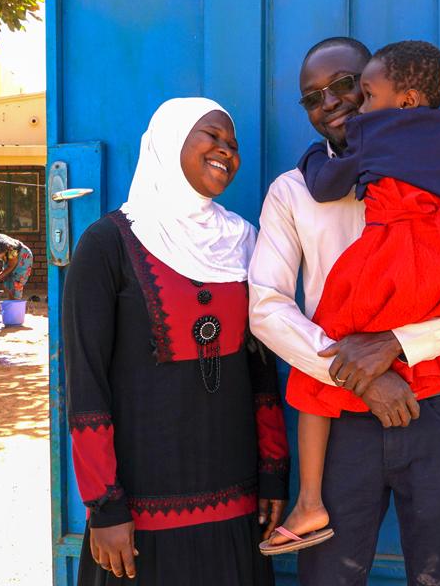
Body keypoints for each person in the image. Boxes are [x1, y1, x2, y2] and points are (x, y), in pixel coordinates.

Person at [248, 37, 440, 585]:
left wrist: (394, 346)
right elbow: (267, 307)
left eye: (345, 85)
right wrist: (359, 377)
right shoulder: (293, 192)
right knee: (328, 577)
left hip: (438, 412)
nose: (331, 102)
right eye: (312, 97)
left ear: (378, 86)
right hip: (341, 421)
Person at [63, 98, 290, 586]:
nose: (226, 152)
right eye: (212, 136)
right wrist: (104, 507)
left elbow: (261, 371)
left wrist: (274, 471)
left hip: (235, 501)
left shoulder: (243, 243)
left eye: (233, 145)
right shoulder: (107, 245)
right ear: (168, 143)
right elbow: (86, 385)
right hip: (141, 514)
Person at [0, 233, 33, 300]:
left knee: (17, 281)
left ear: (6, 251)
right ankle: (11, 301)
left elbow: (10, 267)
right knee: (7, 280)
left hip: (23, 257)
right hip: (9, 257)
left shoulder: (12, 250)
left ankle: (16, 305)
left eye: (1, 256)